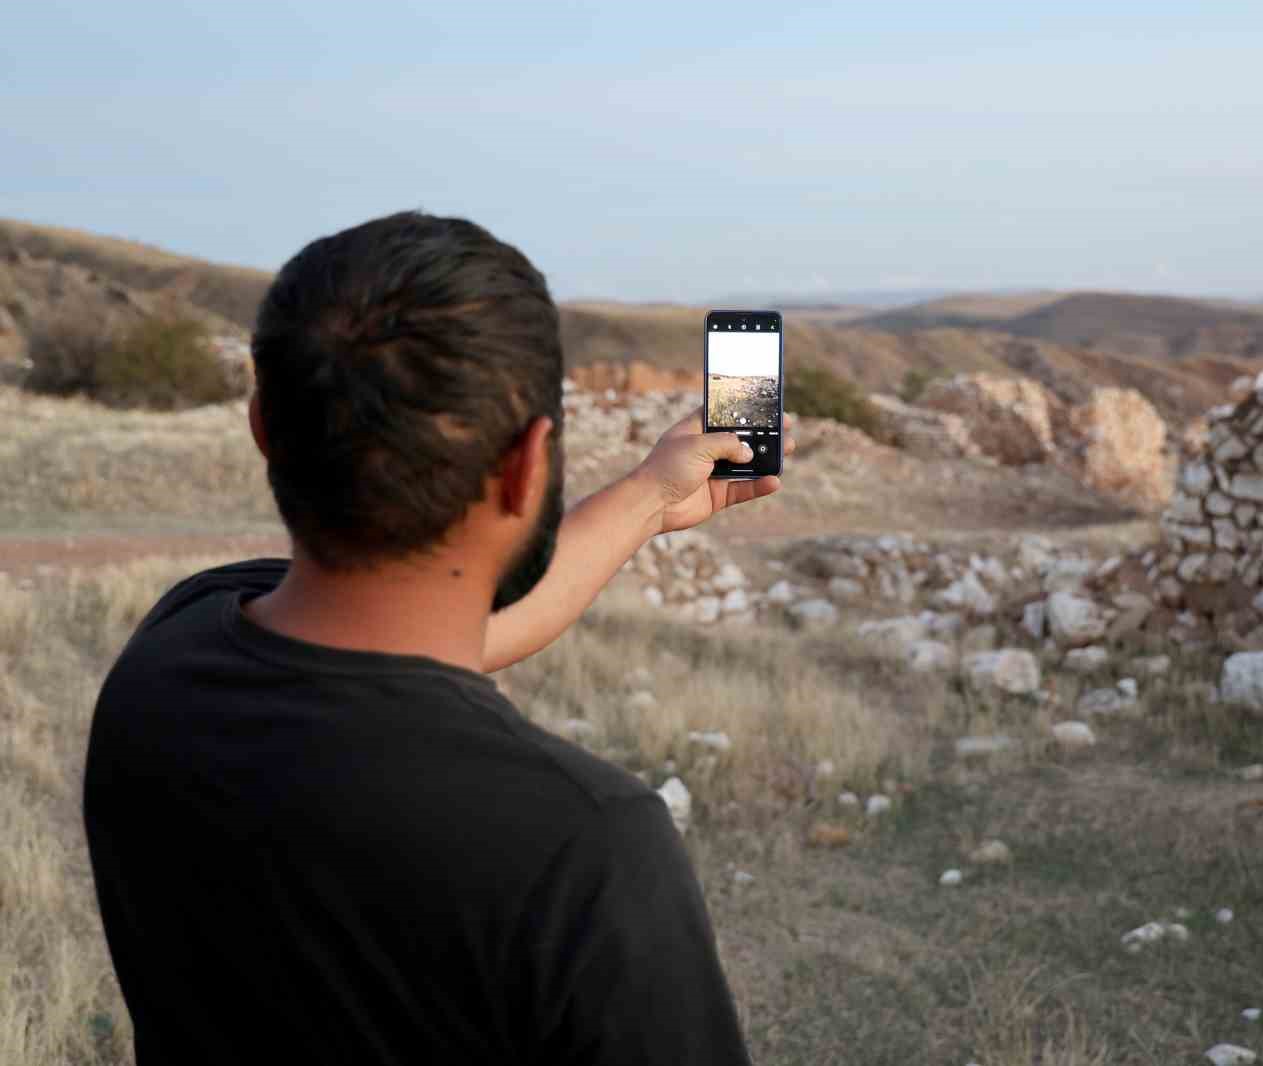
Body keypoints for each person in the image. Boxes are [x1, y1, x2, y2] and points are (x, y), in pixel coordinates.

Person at [81, 211, 792, 1065]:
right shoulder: (585, 845)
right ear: (531, 465)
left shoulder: (173, 650)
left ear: (263, 424)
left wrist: (646, 497)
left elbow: (428, 638)